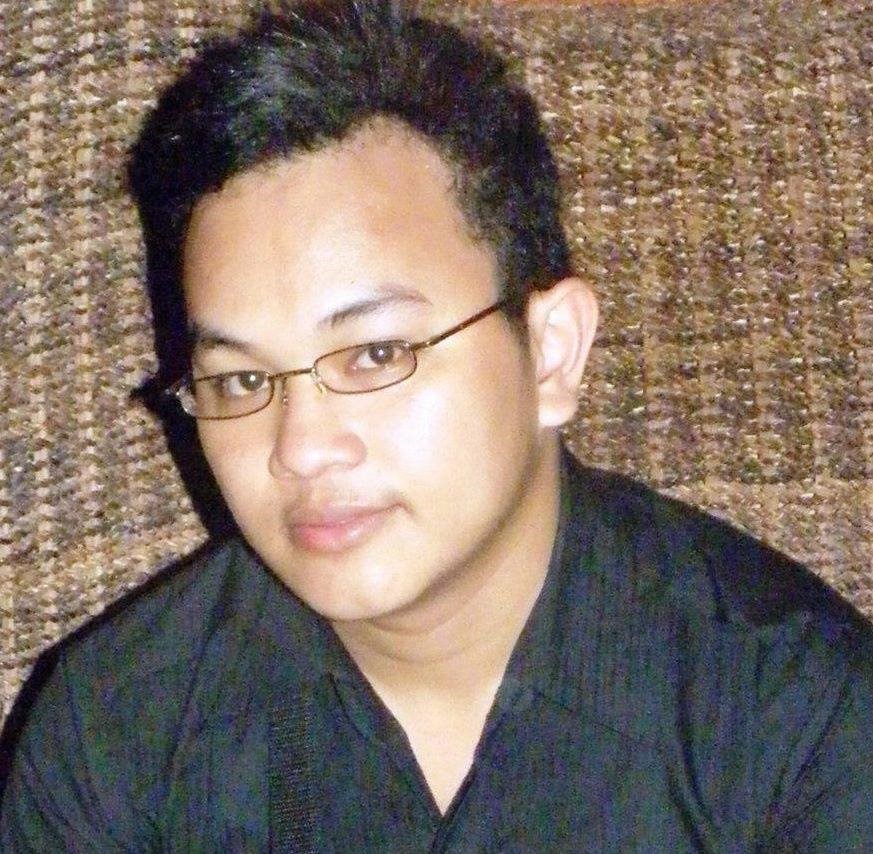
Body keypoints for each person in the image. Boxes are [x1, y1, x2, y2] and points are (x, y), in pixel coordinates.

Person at [1, 0, 871, 849]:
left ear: (550, 354)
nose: (300, 448)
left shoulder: (795, 717)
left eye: (375, 354)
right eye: (241, 380)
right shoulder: (112, 739)